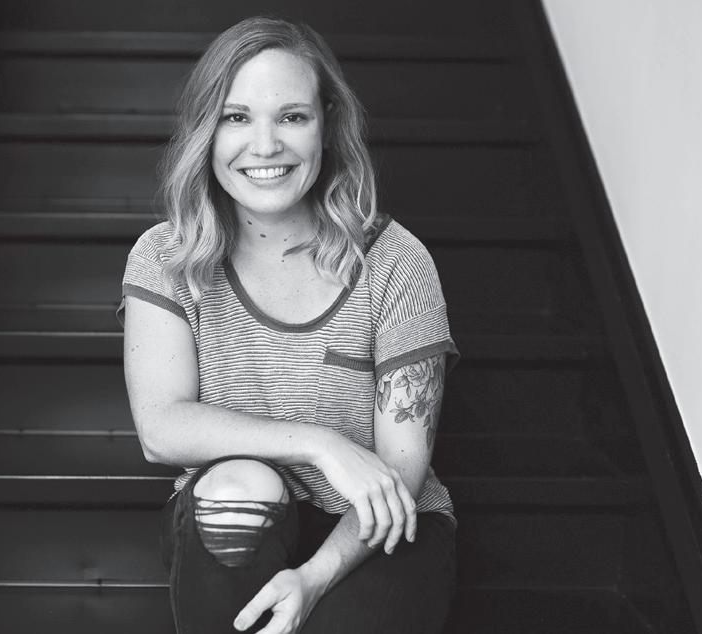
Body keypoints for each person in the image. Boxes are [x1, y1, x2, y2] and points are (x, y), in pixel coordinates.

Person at [119, 15, 460, 634]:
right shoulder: (166, 256)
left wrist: (313, 577)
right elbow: (161, 429)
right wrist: (322, 444)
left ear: (326, 125)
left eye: (292, 117)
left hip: (378, 526)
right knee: (237, 487)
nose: (266, 145)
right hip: (235, 520)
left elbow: (399, 472)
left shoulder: (396, 261)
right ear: (205, 131)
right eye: (236, 116)